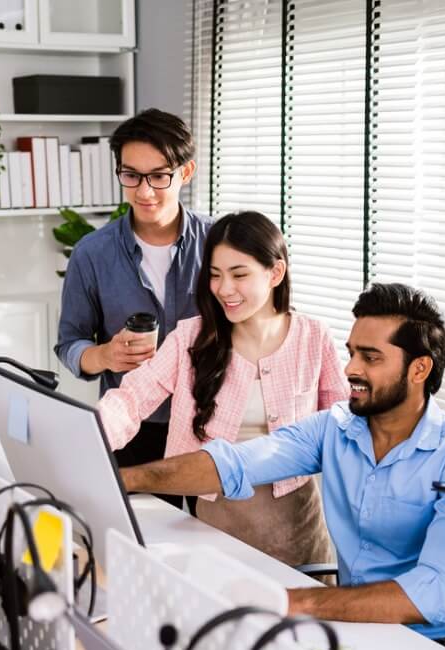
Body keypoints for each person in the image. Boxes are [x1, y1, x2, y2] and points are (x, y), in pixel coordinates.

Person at [121, 283, 445, 639]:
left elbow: (430, 595)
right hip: (351, 627)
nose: (351, 368)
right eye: (352, 352)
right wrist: (124, 479)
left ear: (419, 369)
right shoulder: (336, 427)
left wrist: (289, 601)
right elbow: (232, 464)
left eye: (371, 357)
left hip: (433, 649)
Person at [97, 211, 347, 566]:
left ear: (275, 273)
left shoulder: (313, 337)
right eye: (215, 275)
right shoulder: (191, 338)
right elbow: (131, 398)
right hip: (216, 531)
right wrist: (90, 439)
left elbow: (344, 427)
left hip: (298, 534)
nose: (224, 289)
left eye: (239, 274)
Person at [54, 109, 214, 496]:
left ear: (186, 172)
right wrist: (105, 356)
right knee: (139, 545)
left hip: (208, 427)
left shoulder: (218, 243)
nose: (144, 191)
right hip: (131, 430)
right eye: (131, 175)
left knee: (209, 548)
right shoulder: (91, 254)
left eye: (159, 176)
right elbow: (69, 343)